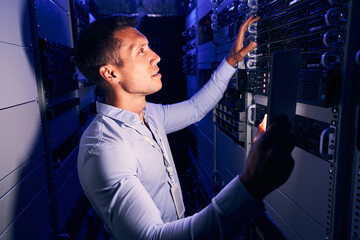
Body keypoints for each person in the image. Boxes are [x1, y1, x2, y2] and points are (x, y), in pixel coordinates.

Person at [75, 14, 295, 239]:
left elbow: (195, 108)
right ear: (110, 73)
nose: (156, 57)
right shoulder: (104, 149)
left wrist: (231, 61)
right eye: (140, 51)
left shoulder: (148, 114)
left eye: (148, 47)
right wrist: (250, 183)